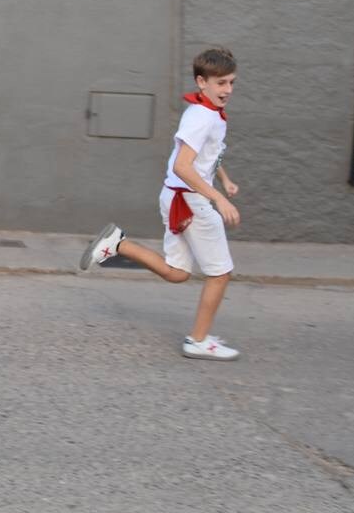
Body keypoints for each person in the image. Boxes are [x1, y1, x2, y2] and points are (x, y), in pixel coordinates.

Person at [79, 47, 243, 361]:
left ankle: (118, 244)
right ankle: (198, 340)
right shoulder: (203, 117)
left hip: (178, 196)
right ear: (201, 82)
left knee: (178, 272)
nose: (228, 90)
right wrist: (218, 198)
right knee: (220, 273)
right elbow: (184, 165)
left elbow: (206, 154)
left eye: (232, 83)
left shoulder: (206, 112)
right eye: (221, 83)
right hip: (191, 201)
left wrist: (224, 179)